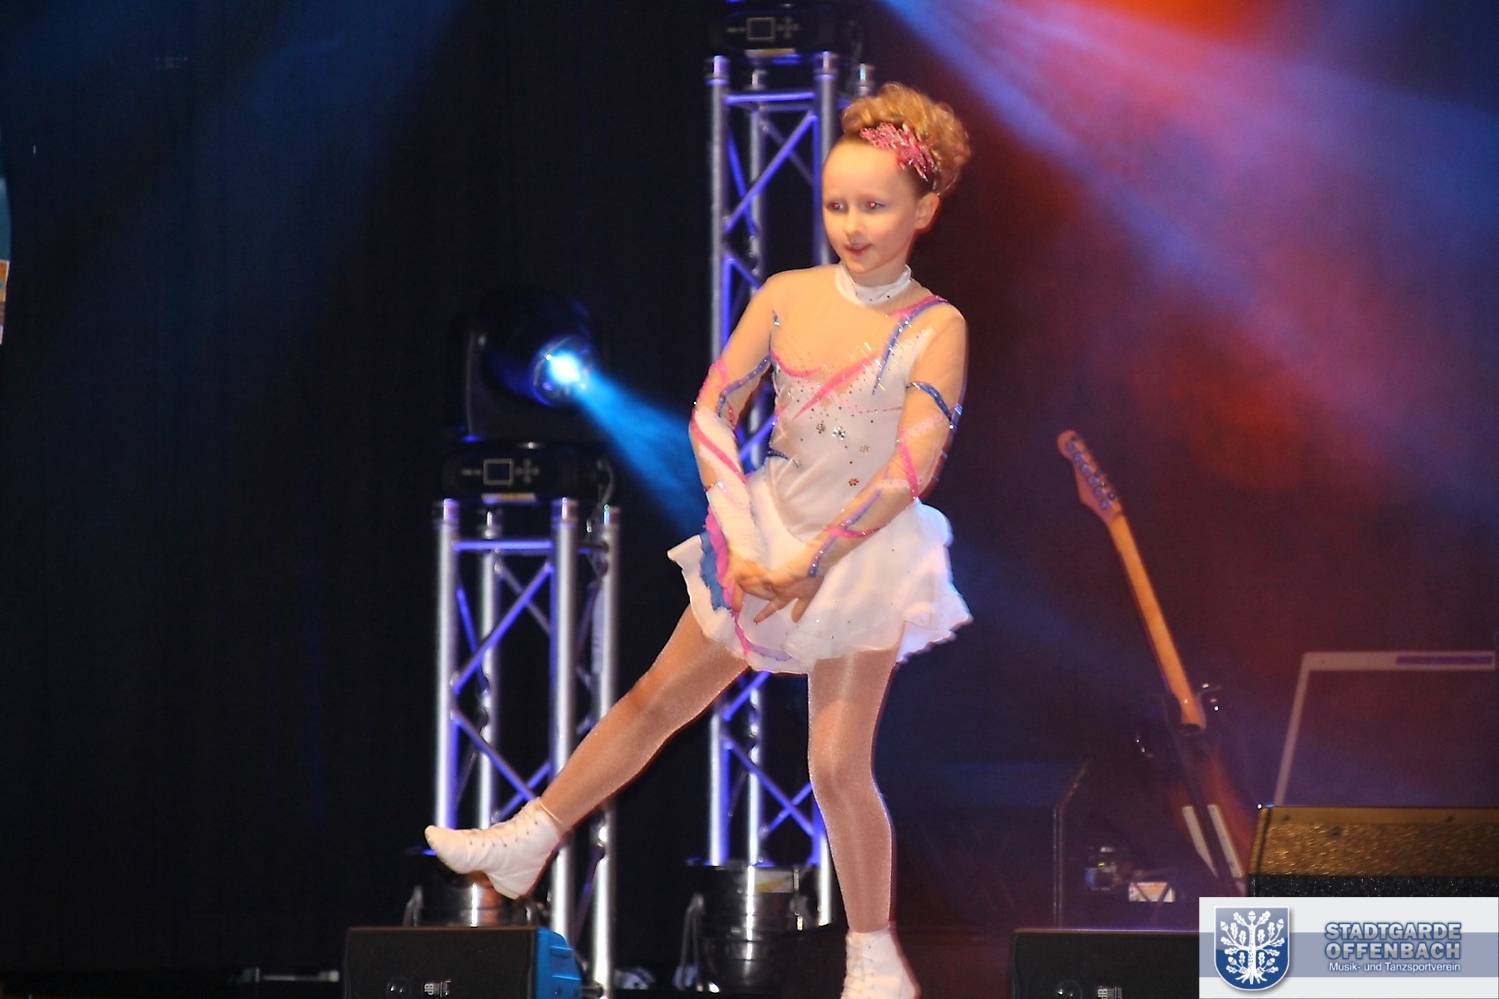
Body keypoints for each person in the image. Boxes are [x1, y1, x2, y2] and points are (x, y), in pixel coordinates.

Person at [427, 82, 973, 999]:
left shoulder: (934, 325)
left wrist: (813, 561)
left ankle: (874, 956)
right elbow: (714, 409)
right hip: (761, 526)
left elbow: (910, 466)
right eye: (836, 204)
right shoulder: (787, 295)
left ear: (922, 211)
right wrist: (739, 531)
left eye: (875, 206)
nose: (851, 224)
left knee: (835, 763)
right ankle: (531, 835)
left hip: (863, 549)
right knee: (654, 697)